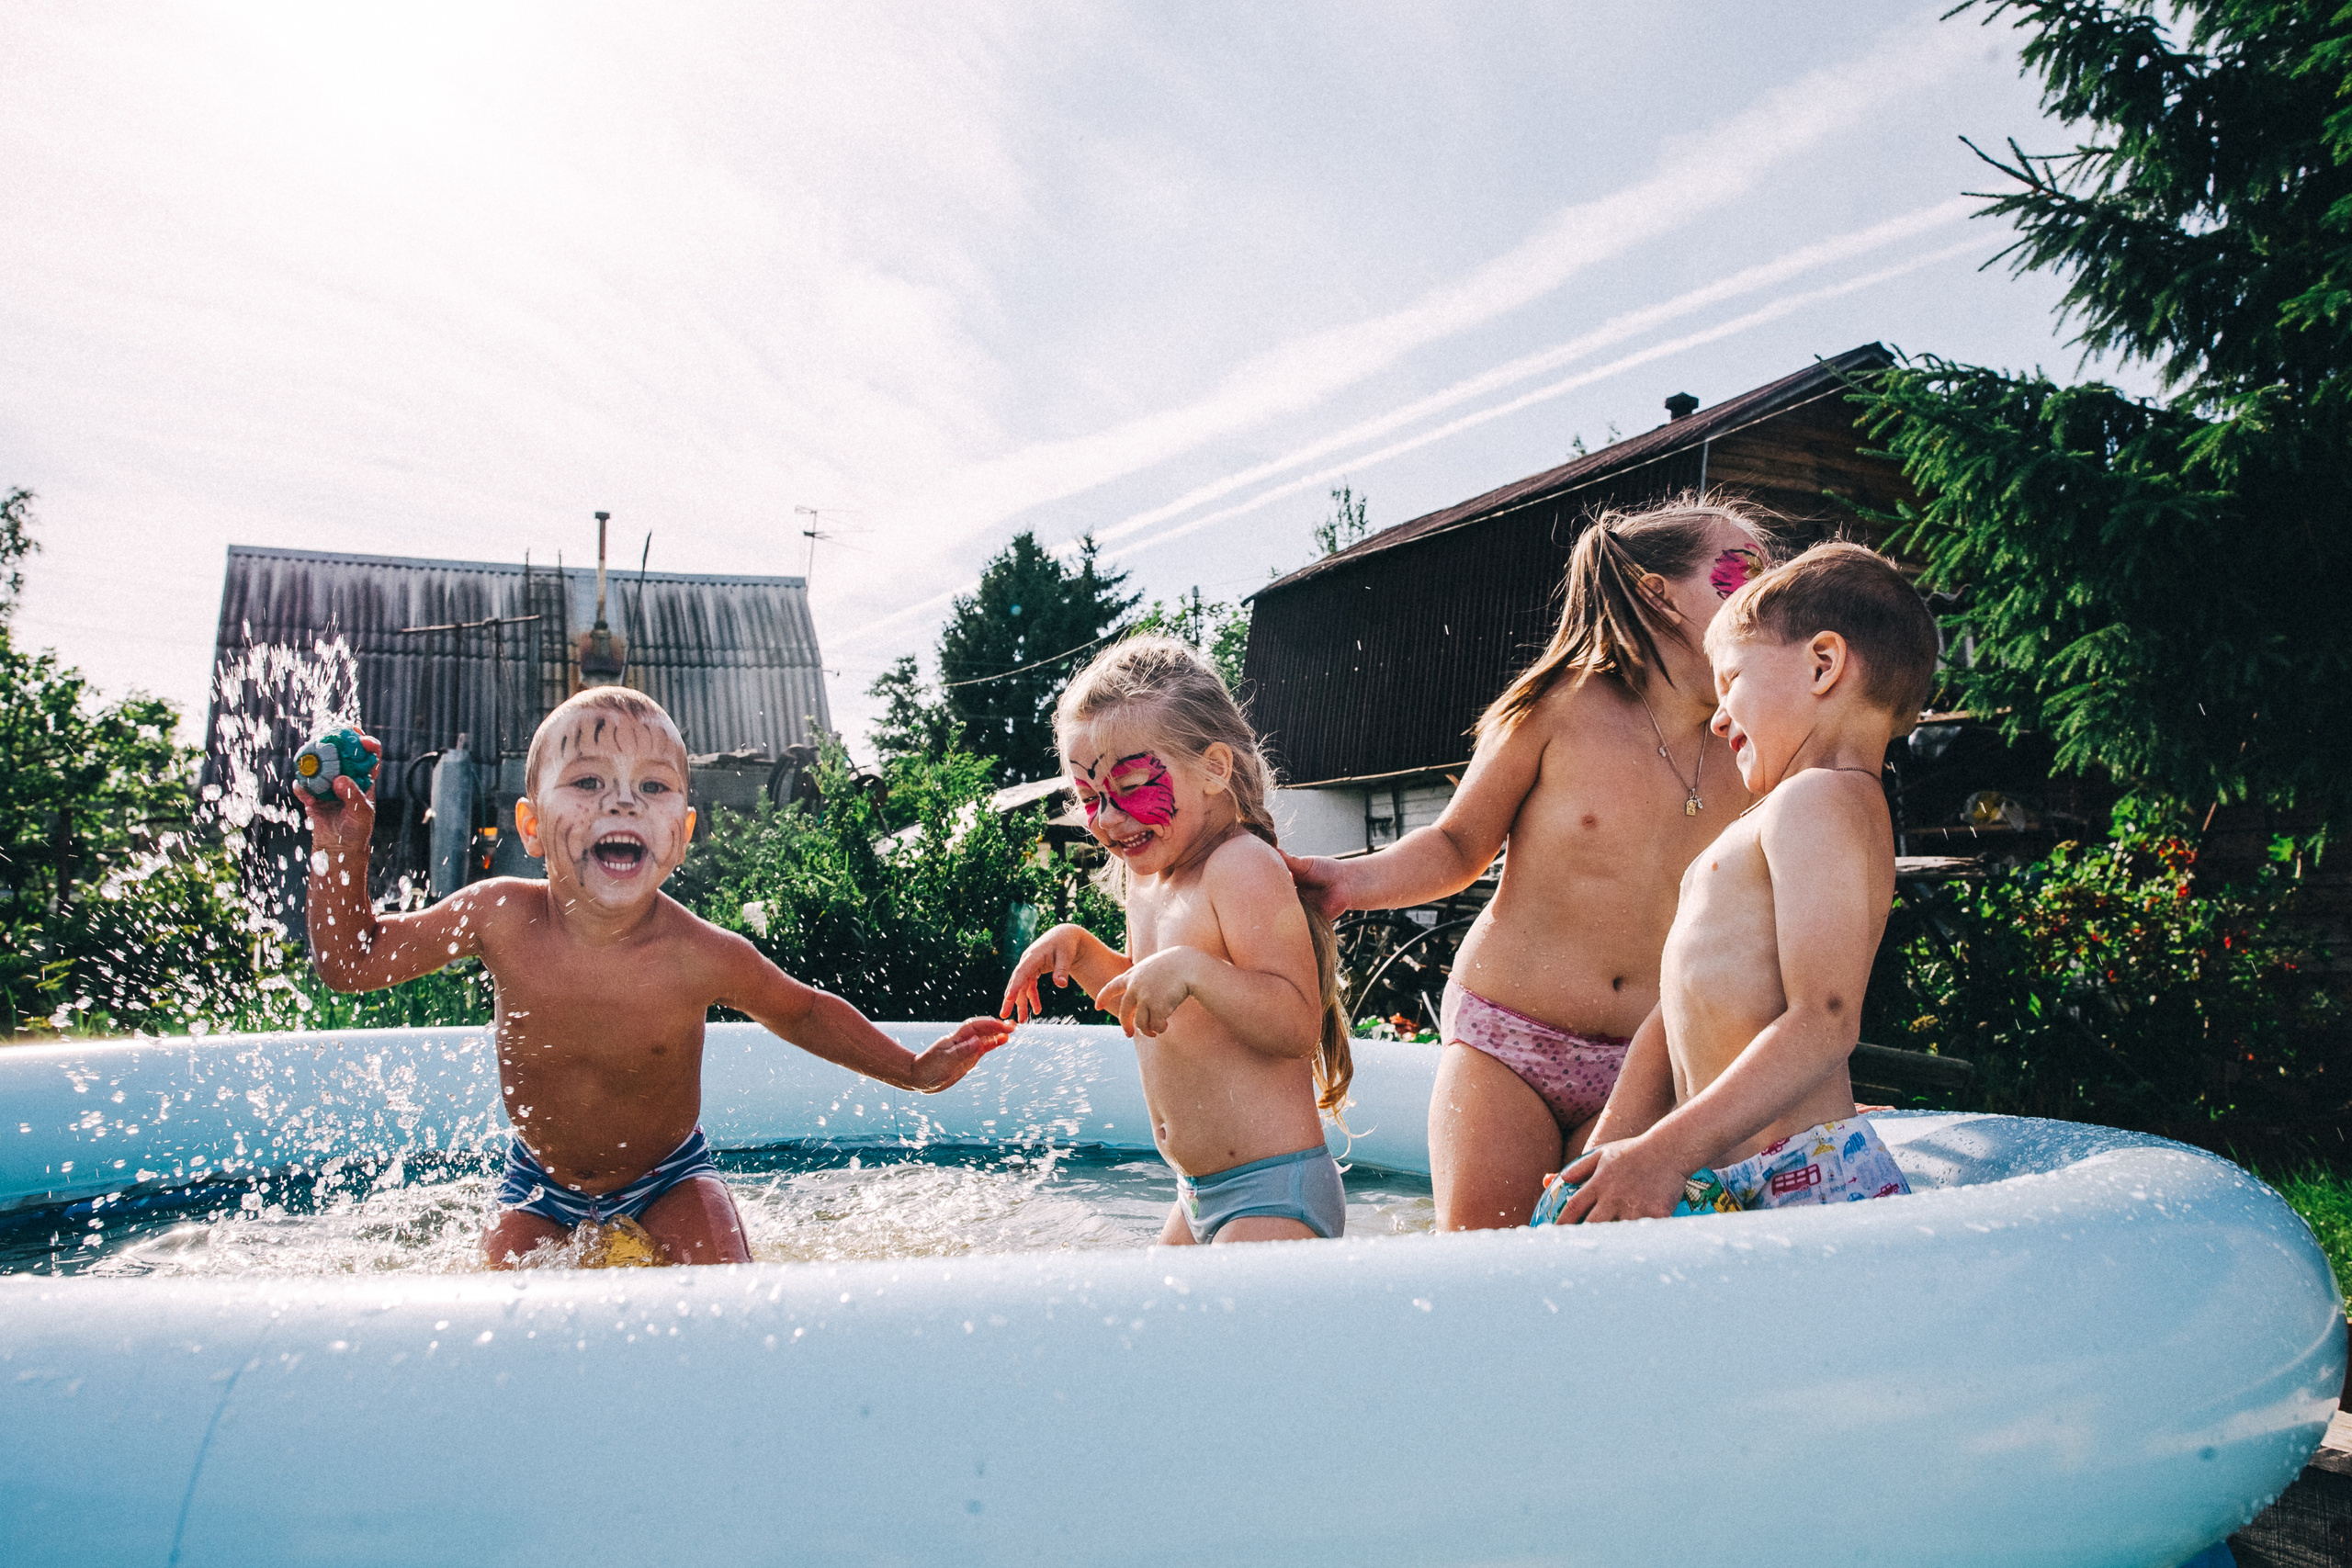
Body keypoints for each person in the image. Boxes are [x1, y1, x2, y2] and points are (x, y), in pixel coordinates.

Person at [301, 686, 1010, 1268]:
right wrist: (343, 847)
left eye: (653, 786)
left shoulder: (698, 951)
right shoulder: (501, 918)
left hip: (669, 1177)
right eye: (587, 782)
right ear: (531, 826)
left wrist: (913, 1069)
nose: (623, 801)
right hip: (538, 1183)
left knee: (729, 1284)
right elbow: (353, 962)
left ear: (683, 830)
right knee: (495, 1311)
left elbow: (801, 1011)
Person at [1285, 498, 1769, 1228]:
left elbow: (1773, 926)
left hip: (1652, 1064)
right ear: (1656, 593)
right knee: (1485, 1267)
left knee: (1603, 1280)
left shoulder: (1754, 745)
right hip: (1511, 1041)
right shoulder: (1556, 707)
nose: (1766, 600)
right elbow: (1456, 844)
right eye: (1743, 578)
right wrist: (1353, 880)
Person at [1536, 541, 1939, 1224]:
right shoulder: (1788, 811)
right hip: (1745, 1177)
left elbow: (1825, 1019)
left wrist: (1662, 1154)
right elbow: (1677, 1007)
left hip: (1801, 1183)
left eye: (1730, 682)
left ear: (1823, 665)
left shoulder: (1822, 800)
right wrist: (1609, 1148)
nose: (1719, 717)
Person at [1001, 637, 1351, 1245]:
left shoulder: (1240, 866)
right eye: (1090, 799)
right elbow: (1153, 1004)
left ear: (1214, 767)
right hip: (1196, 1194)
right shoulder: (1153, 882)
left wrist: (1194, 969)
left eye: (1131, 785)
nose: (1108, 818)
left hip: (1272, 1192)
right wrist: (1084, 954)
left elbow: (1295, 1023)